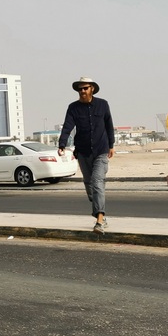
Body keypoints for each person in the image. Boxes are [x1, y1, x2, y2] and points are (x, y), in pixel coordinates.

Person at [58, 76, 115, 233]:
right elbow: (67, 127)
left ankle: (100, 221)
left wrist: (111, 145)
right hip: (83, 152)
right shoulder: (73, 108)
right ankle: (101, 213)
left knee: (97, 182)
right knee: (90, 185)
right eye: (80, 89)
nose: (82, 91)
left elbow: (109, 125)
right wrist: (62, 144)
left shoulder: (103, 105)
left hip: (101, 150)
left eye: (85, 88)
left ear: (92, 89)